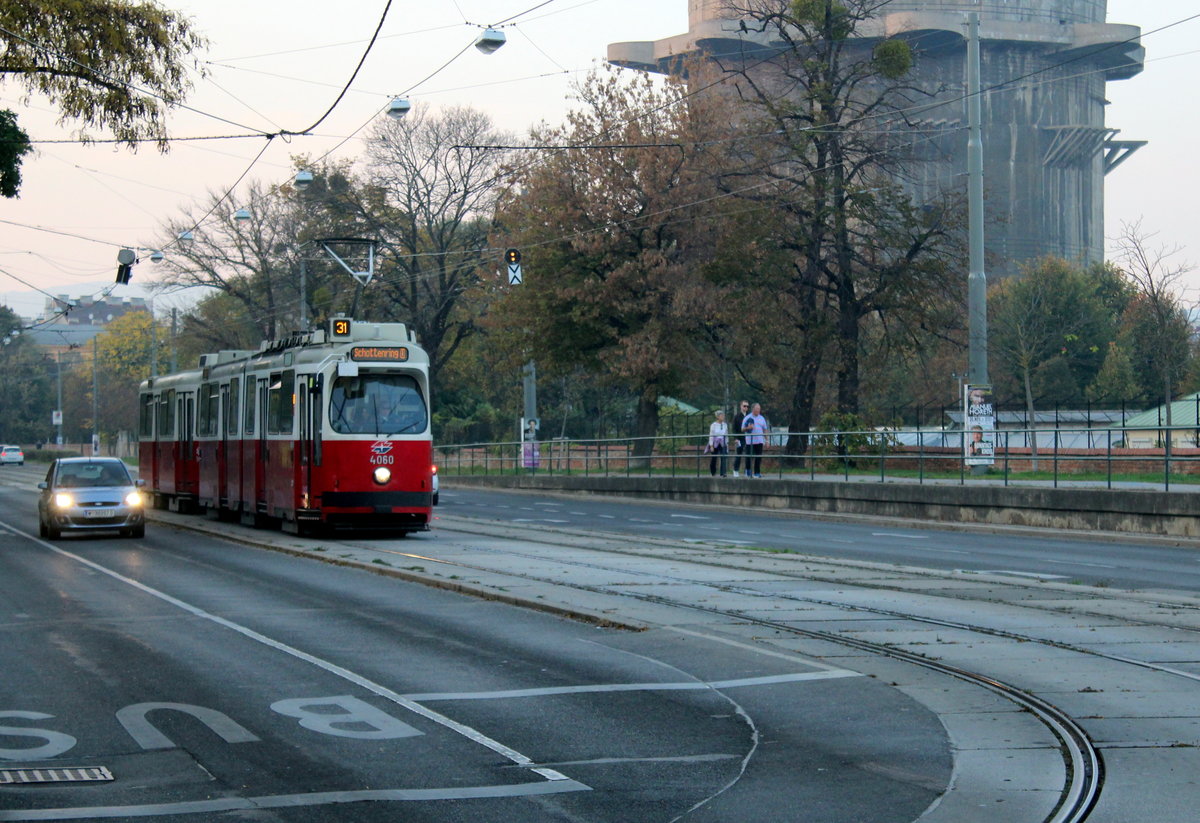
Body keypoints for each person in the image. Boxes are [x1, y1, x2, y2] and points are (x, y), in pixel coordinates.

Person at [741, 402, 769, 477]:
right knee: (749, 457)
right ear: (753, 409)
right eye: (757, 408)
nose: (758, 410)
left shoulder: (762, 418)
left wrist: (767, 440)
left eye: (759, 409)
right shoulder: (747, 418)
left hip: (759, 441)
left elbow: (765, 429)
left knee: (758, 457)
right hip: (750, 441)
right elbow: (742, 429)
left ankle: (757, 472)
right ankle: (748, 471)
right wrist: (748, 428)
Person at [707, 410, 728, 477]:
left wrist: (726, 443)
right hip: (715, 442)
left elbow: (726, 434)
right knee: (714, 458)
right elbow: (711, 435)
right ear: (718, 417)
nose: (723, 417)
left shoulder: (725, 425)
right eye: (721, 415)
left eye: (723, 415)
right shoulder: (713, 425)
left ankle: (723, 473)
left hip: (722, 442)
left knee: (723, 457)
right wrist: (711, 445)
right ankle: (713, 472)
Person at [731, 400, 749, 476]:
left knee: (748, 454)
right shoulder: (736, 416)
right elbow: (734, 428)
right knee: (739, 454)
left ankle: (747, 471)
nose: (746, 408)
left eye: (747, 406)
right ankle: (735, 470)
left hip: (748, 438)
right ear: (741, 406)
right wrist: (735, 438)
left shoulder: (749, 416)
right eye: (744, 406)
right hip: (740, 438)